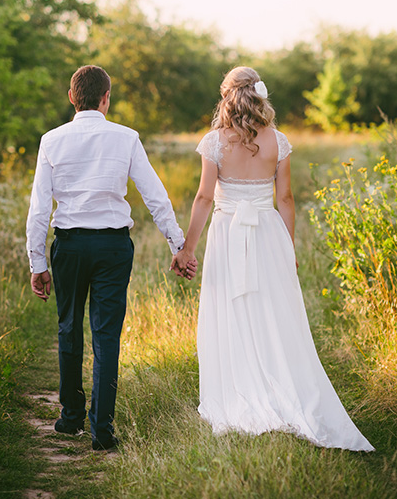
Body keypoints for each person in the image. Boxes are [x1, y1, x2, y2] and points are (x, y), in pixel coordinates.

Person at [171, 66, 374, 451]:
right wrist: (288, 246)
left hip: (228, 234)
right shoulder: (278, 141)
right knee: (273, 313)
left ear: (226, 96)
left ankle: (239, 392)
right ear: (259, 95)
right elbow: (285, 199)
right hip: (268, 234)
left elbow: (202, 198)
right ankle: (280, 389)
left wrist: (188, 248)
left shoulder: (214, 142)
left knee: (232, 312)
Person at [26, 65, 196, 451]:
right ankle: (101, 429)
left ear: (72, 97)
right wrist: (177, 245)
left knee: (69, 328)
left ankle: (70, 418)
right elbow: (155, 195)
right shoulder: (126, 138)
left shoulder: (51, 140)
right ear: (106, 98)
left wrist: (38, 263)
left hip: (68, 246)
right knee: (106, 335)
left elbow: (39, 208)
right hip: (113, 248)